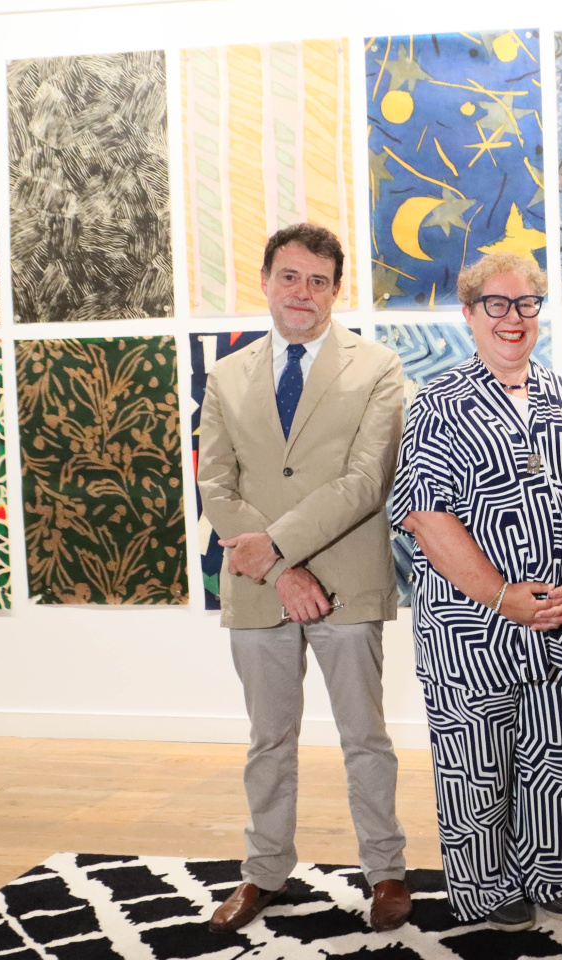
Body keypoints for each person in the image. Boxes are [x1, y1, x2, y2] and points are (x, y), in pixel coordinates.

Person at [389, 251, 562, 931]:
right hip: (469, 628)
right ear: (469, 314)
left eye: (526, 304)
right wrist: (499, 596)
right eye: (497, 304)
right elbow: (426, 516)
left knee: (558, 756)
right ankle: (486, 889)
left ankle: (556, 874)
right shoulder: (438, 404)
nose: (513, 318)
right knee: (476, 764)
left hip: (561, 620)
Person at [198, 222, 411, 933]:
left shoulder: (378, 366)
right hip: (259, 587)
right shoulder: (227, 375)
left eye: (319, 281)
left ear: (335, 291)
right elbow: (215, 485)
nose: (303, 292)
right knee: (268, 742)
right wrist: (283, 568)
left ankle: (384, 871)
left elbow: (365, 481)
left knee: (365, 739)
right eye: (290, 276)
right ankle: (263, 874)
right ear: (265, 281)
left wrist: (280, 550)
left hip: (347, 582)